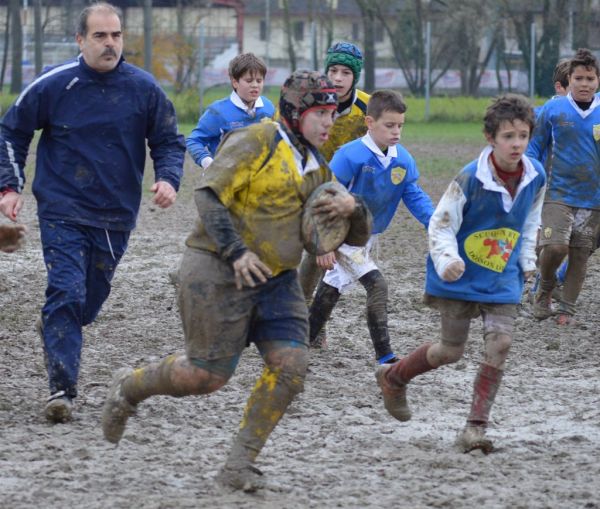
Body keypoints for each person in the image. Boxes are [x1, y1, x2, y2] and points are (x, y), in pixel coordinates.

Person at [101, 70, 372, 492]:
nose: (328, 122)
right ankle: (130, 387)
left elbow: (350, 235)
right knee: (206, 376)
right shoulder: (256, 140)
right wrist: (237, 252)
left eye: (333, 114)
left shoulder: (318, 168)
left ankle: (238, 464)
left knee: (291, 367)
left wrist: (355, 208)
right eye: (320, 113)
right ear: (296, 112)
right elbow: (208, 195)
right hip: (217, 267)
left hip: (276, 278)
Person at [0, 2, 186, 423]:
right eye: (100, 36)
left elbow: (168, 141)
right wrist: (10, 187)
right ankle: (61, 391)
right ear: (80, 40)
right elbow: (12, 130)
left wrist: (169, 179)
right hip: (61, 208)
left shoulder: (143, 88)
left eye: (116, 35)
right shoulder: (56, 84)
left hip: (116, 215)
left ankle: (56, 327)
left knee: (86, 305)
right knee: (67, 293)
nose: (110, 43)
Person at [376, 94, 546, 453]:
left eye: (523, 135)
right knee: (451, 350)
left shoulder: (536, 175)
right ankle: (394, 377)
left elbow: (531, 219)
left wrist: (528, 258)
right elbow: (440, 224)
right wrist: (447, 260)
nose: (517, 143)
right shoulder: (470, 177)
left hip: (502, 273)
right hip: (460, 273)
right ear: (490, 138)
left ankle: (475, 428)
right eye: (508, 136)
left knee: (501, 343)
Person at [308, 90, 433, 363]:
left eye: (400, 125)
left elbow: (413, 195)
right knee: (377, 286)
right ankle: (385, 356)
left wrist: (434, 224)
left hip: (366, 236)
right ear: (369, 122)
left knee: (332, 287)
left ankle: (300, 341)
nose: (396, 132)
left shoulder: (403, 160)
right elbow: (322, 197)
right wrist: (322, 243)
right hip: (341, 235)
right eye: (389, 125)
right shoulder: (350, 156)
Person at [297, 41, 371, 339]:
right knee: (305, 252)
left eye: (345, 72)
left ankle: (310, 321)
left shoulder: (368, 108)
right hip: (307, 184)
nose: (338, 78)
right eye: (333, 70)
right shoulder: (310, 100)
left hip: (343, 194)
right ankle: (300, 317)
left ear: (355, 77)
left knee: (324, 257)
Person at [527, 48, 600, 325]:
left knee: (580, 254)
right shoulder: (553, 109)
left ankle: (566, 309)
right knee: (556, 248)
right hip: (558, 192)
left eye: (590, 78)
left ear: (598, 81)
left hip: (593, 198)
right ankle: (545, 288)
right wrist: (534, 173)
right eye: (579, 78)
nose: (584, 84)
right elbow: (534, 147)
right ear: (568, 81)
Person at [186, 53, 275, 170]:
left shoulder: (268, 107)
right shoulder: (218, 111)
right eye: (249, 81)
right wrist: (208, 163)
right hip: (225, 180)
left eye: (259, 81)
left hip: (260, 179)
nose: (255, 85)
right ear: (235, 82)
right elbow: (194, 140)